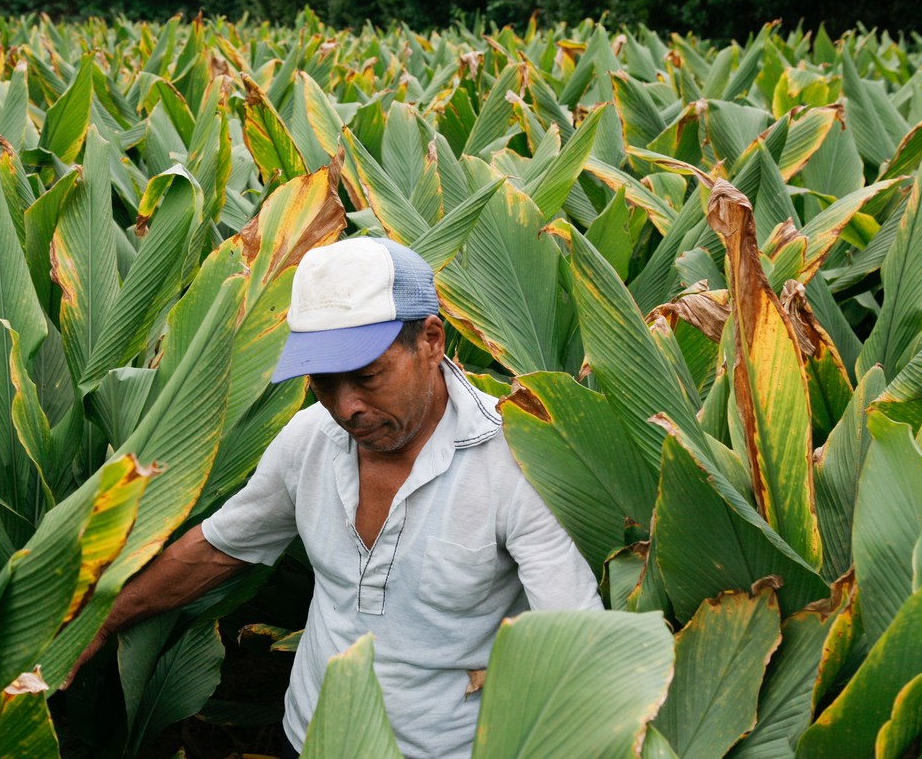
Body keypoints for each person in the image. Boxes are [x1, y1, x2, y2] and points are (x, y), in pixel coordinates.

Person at [64, 237, 603, 759]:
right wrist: (103, 620)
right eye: (322, 382)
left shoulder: (519, 461)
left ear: (432, 341)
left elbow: (574, 642)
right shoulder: (309, 440)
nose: (346, 408)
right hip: (311, 735)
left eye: (368, 376)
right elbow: (221, 548)